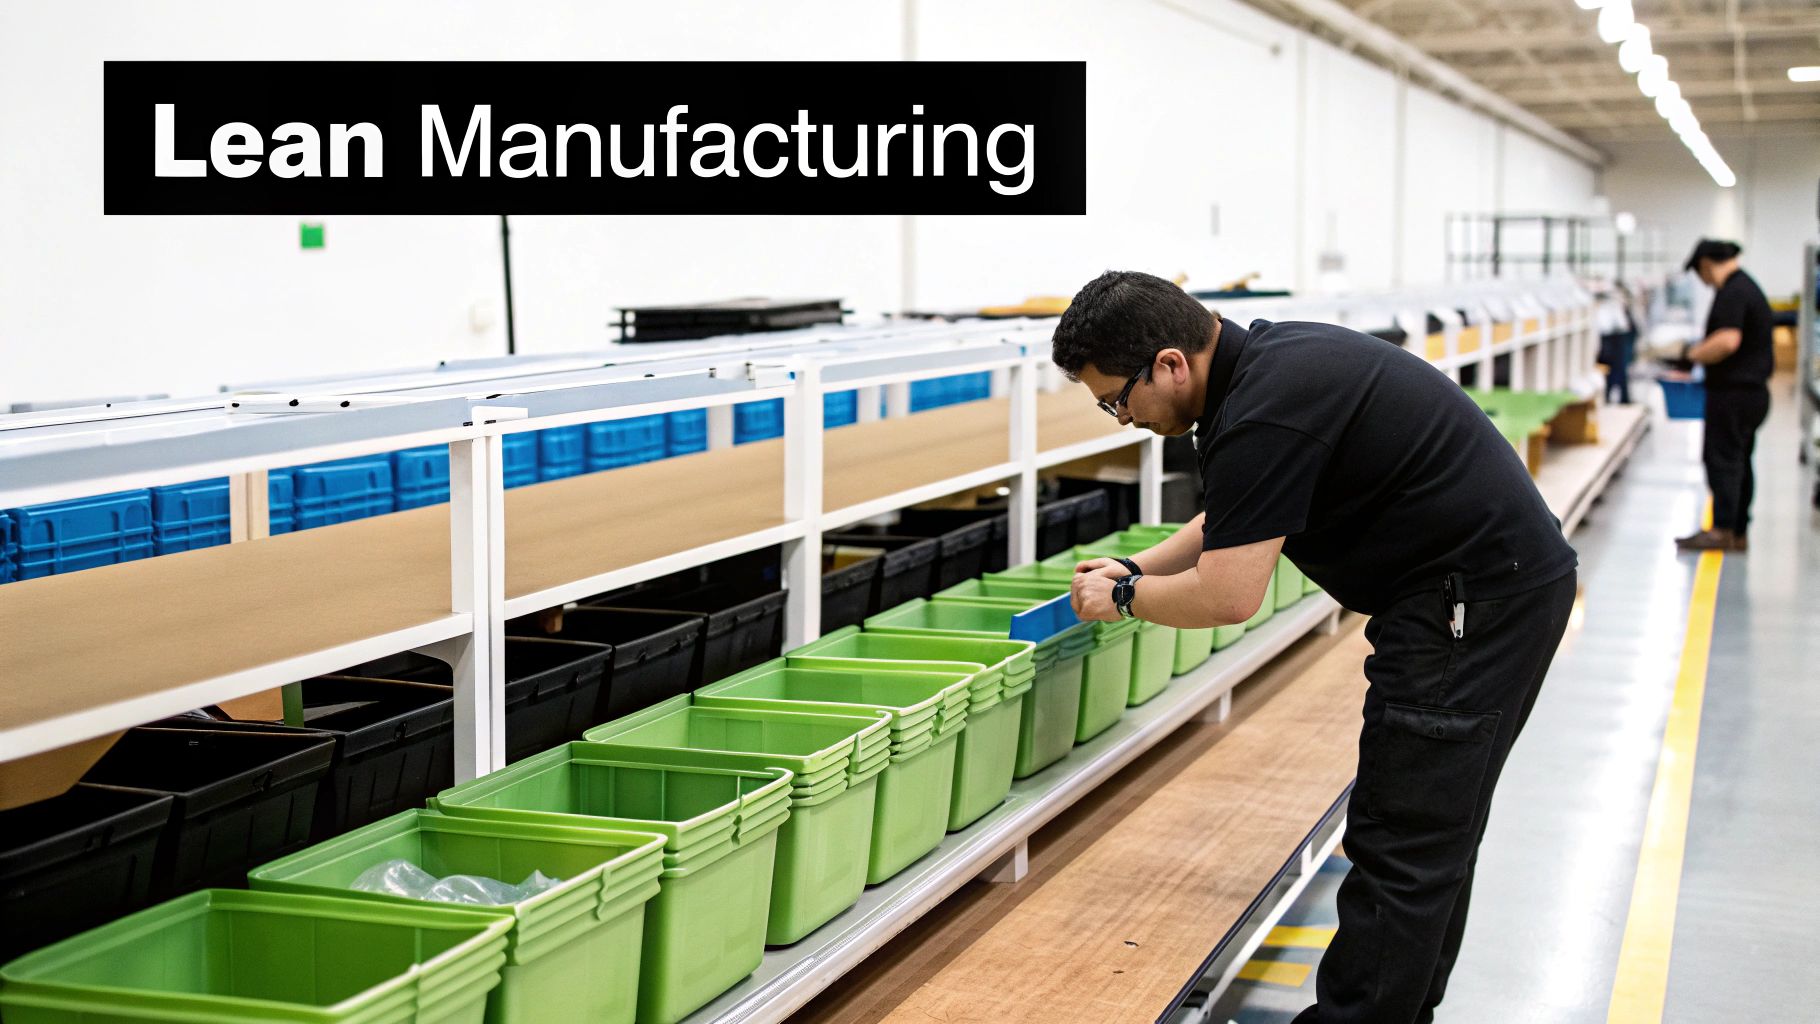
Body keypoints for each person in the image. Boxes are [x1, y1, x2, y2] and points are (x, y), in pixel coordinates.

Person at [1049, 270, 1577, 1024]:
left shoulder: (1265, 408)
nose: (1120, 419)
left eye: (1116, 399)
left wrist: (1126, 598)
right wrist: (1138, 566)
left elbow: (1229, 593)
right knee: (1433, 838)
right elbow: (1239, 513)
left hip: (1470, 607)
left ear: (1169, 364)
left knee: (1403, 838)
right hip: (1485, 592)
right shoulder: (1266, 369)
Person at [1675, 239, 1775, 552]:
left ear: (1706, 264)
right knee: (1739, 461)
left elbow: (1728, 341)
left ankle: (1721, 531)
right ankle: (1737, 529)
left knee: (1723, 461)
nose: (1704, 282)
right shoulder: (1746, 287)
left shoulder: (1733, 291)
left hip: (1734, 395)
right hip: (1750, 394)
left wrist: (1692, 355)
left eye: (1701, 275)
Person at [1595, 281, 1638, 404]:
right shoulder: (1611, 306)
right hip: (1614, 342)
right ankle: (1615, 399)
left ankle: (1617, 399)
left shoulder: (1611, 306)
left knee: (1618, 374)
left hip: (1616, 342)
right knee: (1616, 374)